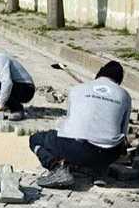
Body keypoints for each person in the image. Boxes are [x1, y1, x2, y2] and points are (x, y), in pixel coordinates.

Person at [30, 61, 131, 189]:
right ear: (119, 80)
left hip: (77, 150)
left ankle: (56, 167)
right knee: (107, 141)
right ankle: (99, 171)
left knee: (35, 139)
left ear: (99, 73)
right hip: (109, 155)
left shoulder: (76, 90)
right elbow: (123, 134)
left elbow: (69, 124)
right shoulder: (125, 95)